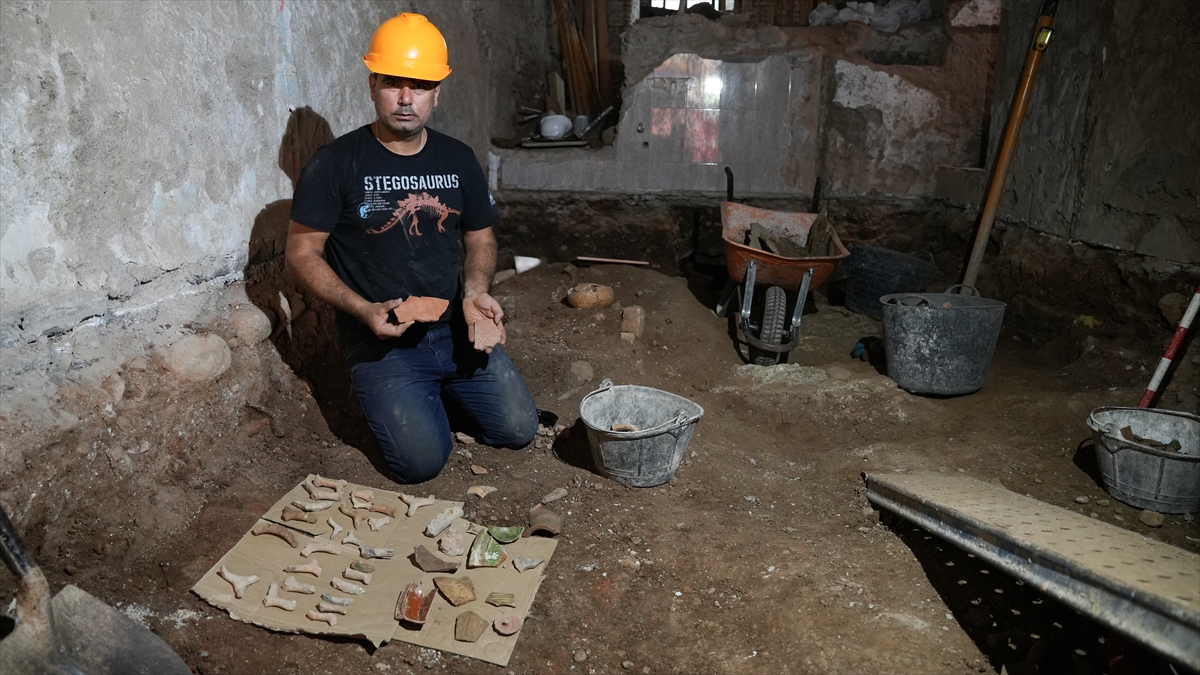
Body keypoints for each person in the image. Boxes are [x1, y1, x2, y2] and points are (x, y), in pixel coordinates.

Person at [285, 13, 538, 483]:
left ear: (436, 92)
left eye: (420, 86)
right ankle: (411, 400)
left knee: (520, 429)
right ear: (372, 85)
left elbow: (480, 236)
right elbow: (301, 252)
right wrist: (363, 310)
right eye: (392, 83)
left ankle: (440, 395)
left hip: (455, 327)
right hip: (382, 340)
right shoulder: (335, 164)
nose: (406, 99)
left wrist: (475, 290)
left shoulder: (458, 158)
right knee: (420, 465)